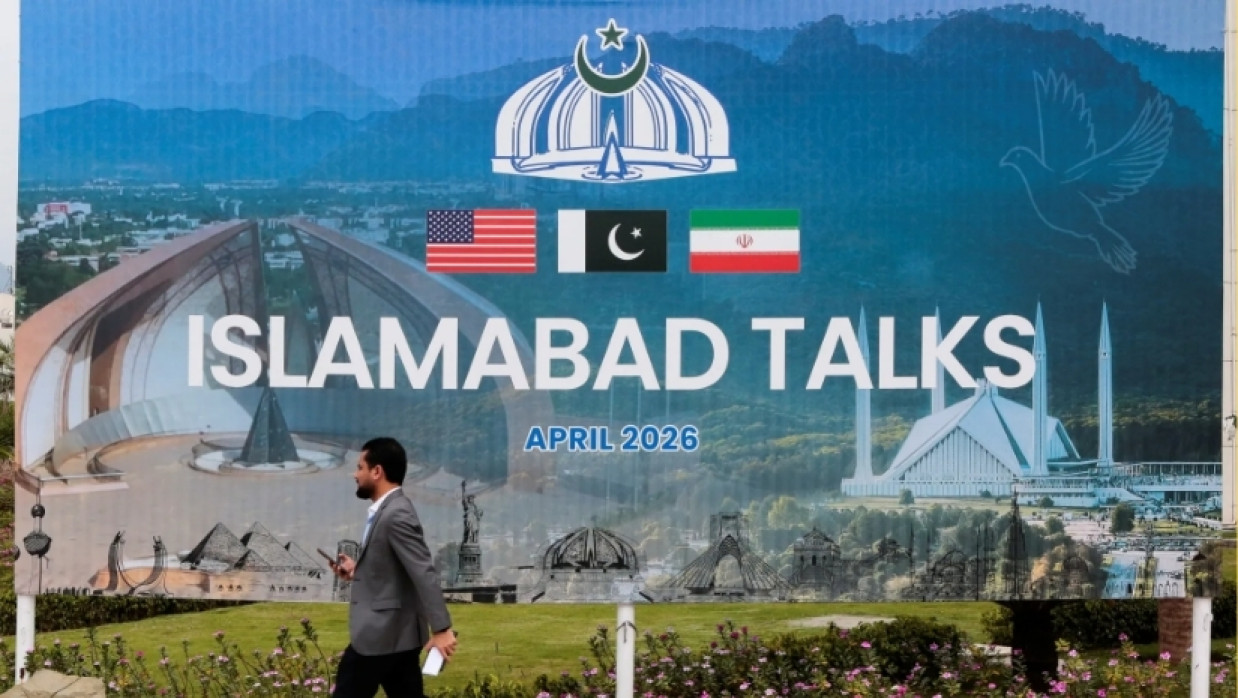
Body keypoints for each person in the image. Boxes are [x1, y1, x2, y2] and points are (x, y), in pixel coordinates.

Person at [328, 437, 457, 697]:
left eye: (360, 467)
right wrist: (357, 571)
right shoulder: (387, 511)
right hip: (396, 637)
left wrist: (442, 629)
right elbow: (397, 570)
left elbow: (423, 572)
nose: (355, 474)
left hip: (379, 636)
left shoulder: (395, 514)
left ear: (377, 472)